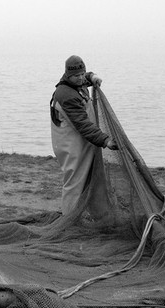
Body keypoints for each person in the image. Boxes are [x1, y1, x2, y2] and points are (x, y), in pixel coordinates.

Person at [49, 55, 117, 213]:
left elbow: (84, 78)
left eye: (82, 74)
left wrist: (92, 76)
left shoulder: (75, 82)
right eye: (76, 76)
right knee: (74, 183)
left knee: (89, 180)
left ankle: (90, 213)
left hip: (83, 142)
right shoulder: (65, 95)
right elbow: (83, 124)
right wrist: (105, 140)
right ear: (67, 75)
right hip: (70, 146)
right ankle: (68, 220)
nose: (80, 78)